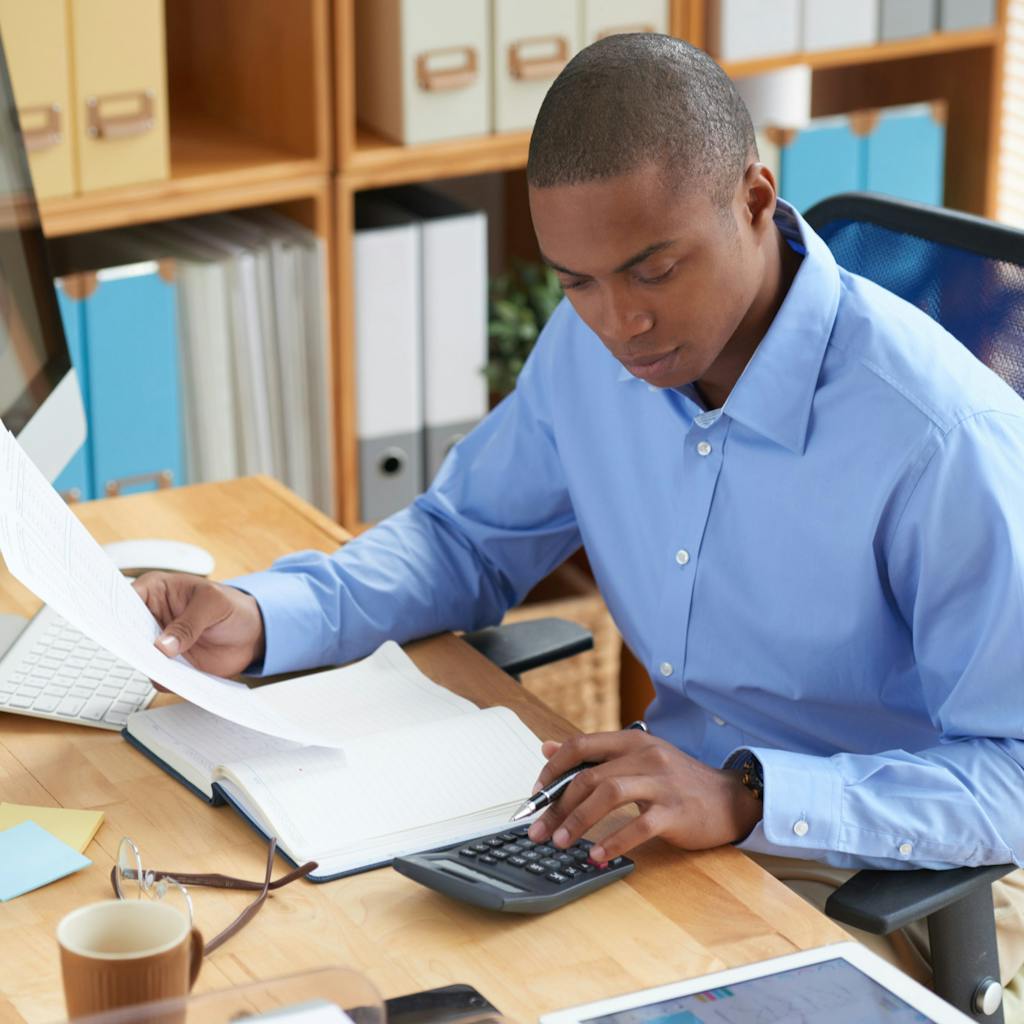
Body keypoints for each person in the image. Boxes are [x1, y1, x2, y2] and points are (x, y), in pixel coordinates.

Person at [135, 34, 1024, 1009]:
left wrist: (749, 796)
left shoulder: (939, 441)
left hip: (849, 881)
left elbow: (1011, 776)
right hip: (648, 839)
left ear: (754, 199)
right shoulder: (594, 346)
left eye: (653, 269)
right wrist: (268, 615)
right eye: (578, 281)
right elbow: (464, 537)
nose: (618, 323)